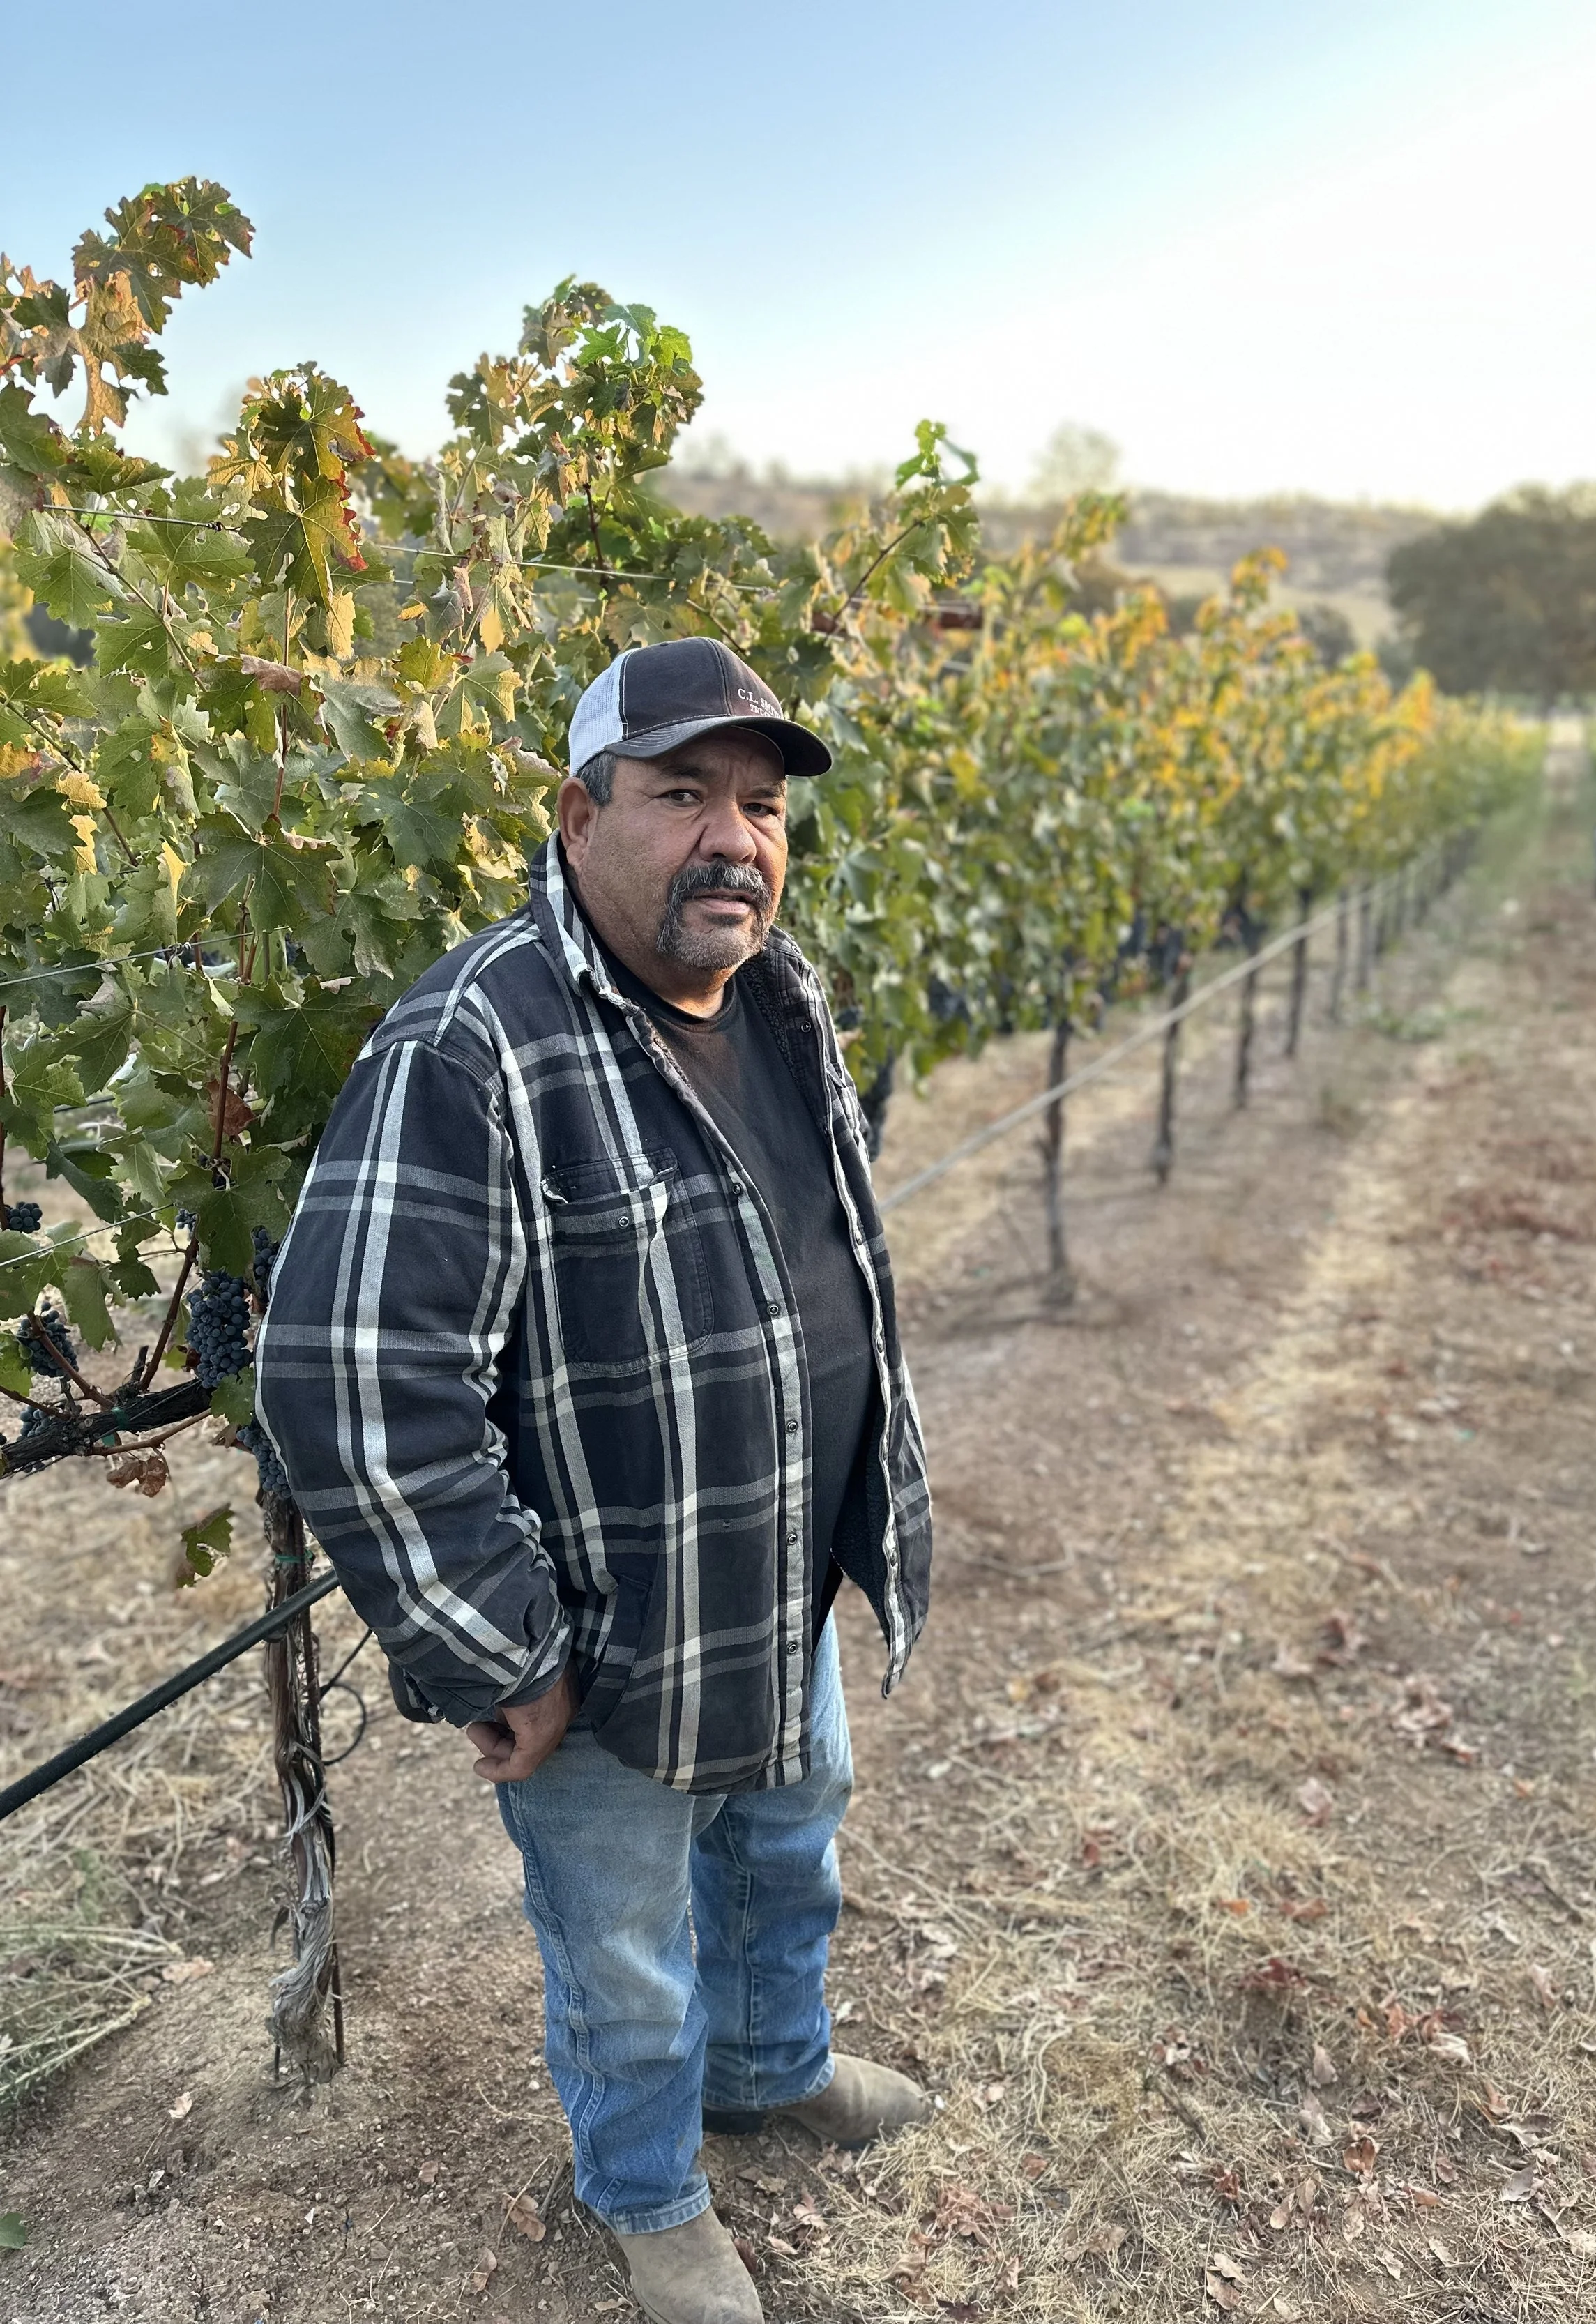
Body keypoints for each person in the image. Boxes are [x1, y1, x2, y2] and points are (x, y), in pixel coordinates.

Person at [255, 637, 934, 2324]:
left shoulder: (779, 1000)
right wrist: (504, 1651)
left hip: (776, 1581)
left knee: (789, 1848)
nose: (733, 839)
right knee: (623, 1955)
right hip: (612, 1639)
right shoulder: (475, 1042)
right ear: (577, 815)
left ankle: (771, 2066)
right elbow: (352, 1377)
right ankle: (647, 2192)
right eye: (682, 793)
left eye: (760, 806)